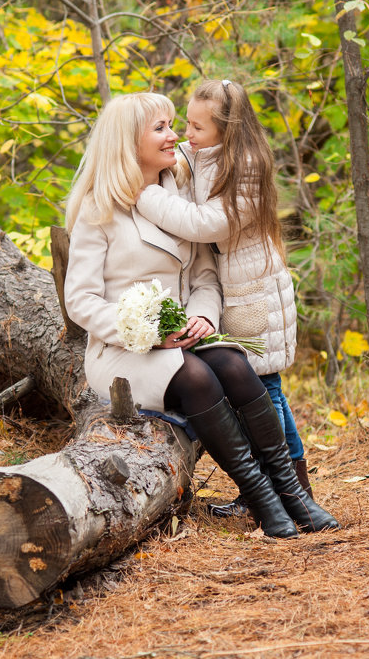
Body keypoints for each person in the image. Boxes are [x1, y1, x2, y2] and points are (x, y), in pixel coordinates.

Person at [64, 92, 338, 537]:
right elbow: (80, 301)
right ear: (126, 140)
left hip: (182, 338)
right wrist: (147, 333)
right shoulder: (99, 207)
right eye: (161, 128)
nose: (175, 136)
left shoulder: (175, 195)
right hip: (121, 351)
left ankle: (295, 497)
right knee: (198, 377)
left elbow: (205, 277)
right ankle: (266, 503)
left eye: (173, 125)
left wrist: (204, 318)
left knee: (233, 361)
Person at [135, 79, 312, 518]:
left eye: (197, 127)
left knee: (265, 388)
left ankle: (293, 489)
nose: (186, 135)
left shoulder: (246, 165)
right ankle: (278, 488)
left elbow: (206, 225)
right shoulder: (200, 154)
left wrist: (146, 196)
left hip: (252, 291)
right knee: (256, 388)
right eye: (186, 124)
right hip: (225, 290)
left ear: (227, 129)